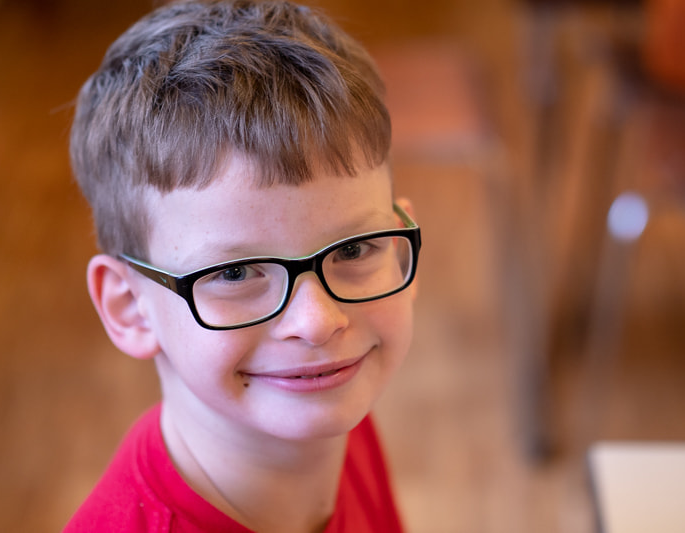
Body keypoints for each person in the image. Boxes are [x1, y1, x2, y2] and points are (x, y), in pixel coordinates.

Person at [63, 1, 421, 531]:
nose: (319, 323)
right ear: (129, 307)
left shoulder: (337, 397)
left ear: (398, 246)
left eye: (352, 249)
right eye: (234, 273)